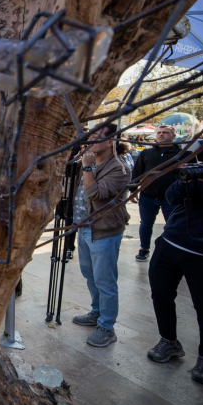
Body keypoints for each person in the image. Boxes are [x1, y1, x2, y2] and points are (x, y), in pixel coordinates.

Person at [147, 141, 203, 386]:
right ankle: (169, 341)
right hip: (170, 245)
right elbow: (171, 198)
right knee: (160, 295)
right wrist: (184, 182)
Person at [72, 124, 131, 348]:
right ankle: (97, 312)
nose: (89, 141)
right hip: (84, 226)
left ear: (109, 142)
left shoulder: (120, 169)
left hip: (103, 230)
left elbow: (95, 194)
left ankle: (107, 327)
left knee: (105, 281)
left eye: (95, 137)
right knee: (90, 275)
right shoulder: (86, 162)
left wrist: (87, 167)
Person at [131, 125, 185, 262]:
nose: (161, 134)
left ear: (173, 136)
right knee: (146, 224)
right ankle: (144, 248)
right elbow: (137, 172)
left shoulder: (182, 154)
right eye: (159, 132)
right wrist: (133, 190)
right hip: (147, 196)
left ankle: (171, 250)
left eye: (165, 132)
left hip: (171, 198)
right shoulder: (147, 153)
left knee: (172, 225)